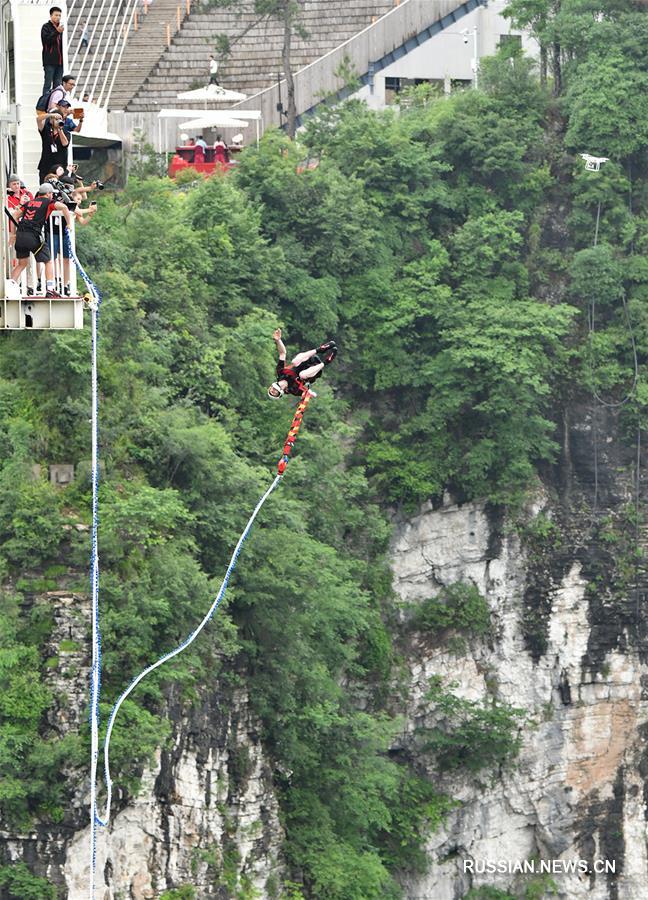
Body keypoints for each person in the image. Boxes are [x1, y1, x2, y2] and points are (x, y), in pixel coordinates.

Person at [10, 184, 72, 298]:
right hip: (33, 236)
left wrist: (13, 234)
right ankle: (50, 289)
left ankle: (10, 287)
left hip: (20, 235)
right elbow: (64, 207)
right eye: (51, 194)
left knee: (22, 264)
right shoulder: (49, 202)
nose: (52, 195)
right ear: (48, 194)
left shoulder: (29, 203)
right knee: (48, 261)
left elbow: (14, 215)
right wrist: (68, 223)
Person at [268, 329, 337, 399]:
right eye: (273, 393)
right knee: (302, 375)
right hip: (313, 370)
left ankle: (321, 349)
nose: (272, 391)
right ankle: (327, 361)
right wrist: (310, 394)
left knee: (294, 362)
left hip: (307, 359)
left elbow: (282, 353)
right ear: (280, 393)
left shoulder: (280, 372)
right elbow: (308, 393)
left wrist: (278, 340)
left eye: (271, 391)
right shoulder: (294, 390)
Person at [37, 111, 69, 184]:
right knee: (44, 187)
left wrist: (60, 129)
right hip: (46, 165)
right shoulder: (46, 130)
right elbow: (38, 119)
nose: (58, 121)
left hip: (59, 167)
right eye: (56, 119)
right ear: (51, 120)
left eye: (60, 119)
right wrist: (51, 115)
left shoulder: (66, 133)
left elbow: (65, 144)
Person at [41, 7, 65, 95]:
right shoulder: (46, 27)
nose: (58, 17)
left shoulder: (61, 28)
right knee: (47, 84)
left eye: (59, 15)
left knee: (57, 85)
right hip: (50, 61)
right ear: (51, 16)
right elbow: (46, 41)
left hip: (60, 61)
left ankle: (55, 105)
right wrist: (56, 32)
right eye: (56, 15)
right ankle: (44, 105)